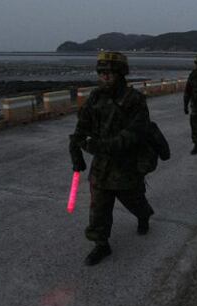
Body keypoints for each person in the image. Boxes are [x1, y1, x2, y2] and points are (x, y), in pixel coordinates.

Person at [69, 51, 154, 266]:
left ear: (121, 74)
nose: (105, 77)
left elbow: (137, 132)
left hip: (126, 166)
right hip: (101, 167)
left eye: (111, 73)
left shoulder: (134, 100)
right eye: (102, 73)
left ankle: (144, 216)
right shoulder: (95, 97)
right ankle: (101, 244)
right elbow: (83, 126)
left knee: (134, 202)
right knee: (98, 208)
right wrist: (75, 148)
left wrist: (104, 146)